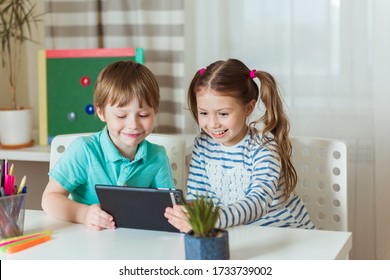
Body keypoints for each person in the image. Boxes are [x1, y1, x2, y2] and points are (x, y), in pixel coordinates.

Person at [165, 58, 315, 232]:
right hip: (235, 230)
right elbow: (198, 197)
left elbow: (257, 202)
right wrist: (189, 215)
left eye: (223, 114)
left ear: (248, 108)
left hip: (284, 231)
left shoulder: (264, 148)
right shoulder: (203, 145)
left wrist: (211, 220)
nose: (213, 124)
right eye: (204, 113)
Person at [42, 60, 175, 230]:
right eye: (121, 115)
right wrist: (84, 214)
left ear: (155, 111)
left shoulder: (157, 155)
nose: (133, 124)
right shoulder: (84, 150)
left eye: (143, 115)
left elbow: (169, 208)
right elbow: (49, 199)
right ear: (101, 112)